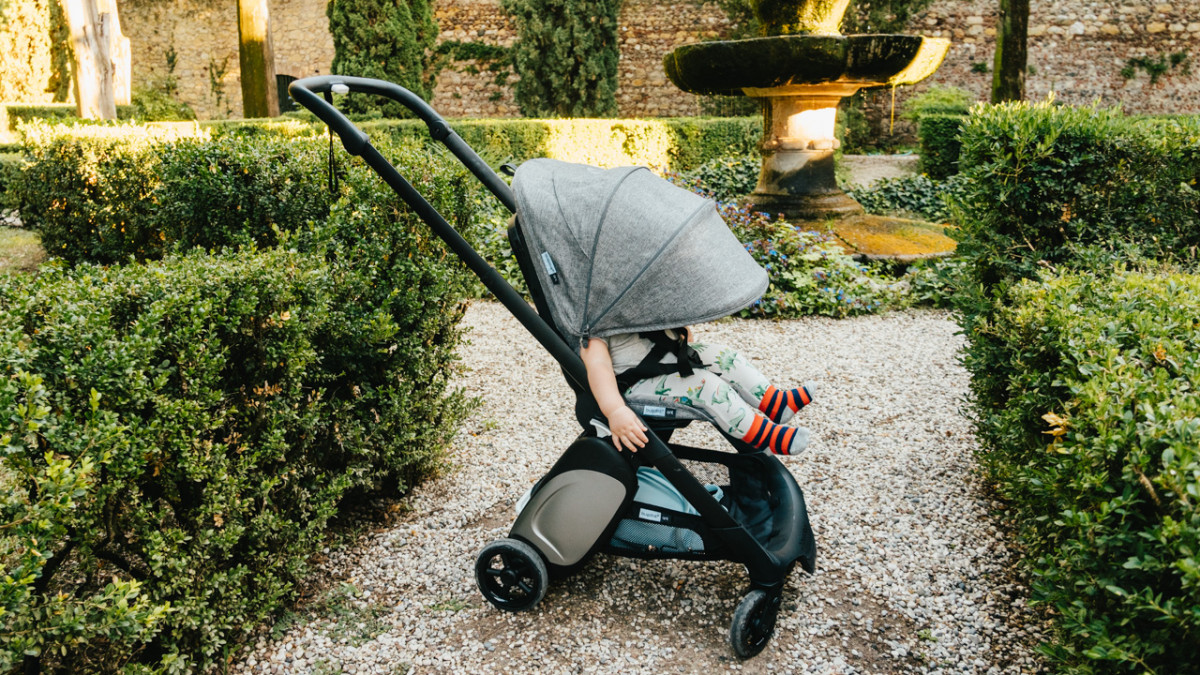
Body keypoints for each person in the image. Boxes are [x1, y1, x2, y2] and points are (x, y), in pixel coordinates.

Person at [580, 326, 814, 455]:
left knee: (724, 356)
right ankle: (765, 438)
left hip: (667, 360)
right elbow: (598, 366)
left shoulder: (638, 299)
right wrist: (615, 410)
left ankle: (775, 402)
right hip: (633, 388)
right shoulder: (592, 325)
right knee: (706, 386)